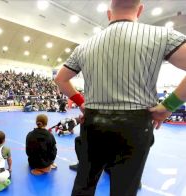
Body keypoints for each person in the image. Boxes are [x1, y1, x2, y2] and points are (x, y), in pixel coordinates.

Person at [54, 0, 186, 195]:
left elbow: (60, 79)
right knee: (124, 189)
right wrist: (167, 107)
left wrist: (82, 104)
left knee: (84, 185)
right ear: (140, 10)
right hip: (135, 125)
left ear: (109, 14)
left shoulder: (84, 46)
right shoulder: (161, 35)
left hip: (93, 122)